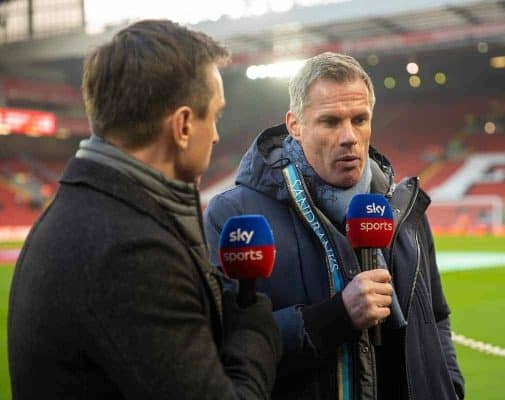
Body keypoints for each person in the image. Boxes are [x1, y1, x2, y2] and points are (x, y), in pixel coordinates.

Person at [8, 19, 281, 400]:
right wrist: (254, 333)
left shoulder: (85, 210)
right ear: (183, 125)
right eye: (215, 116)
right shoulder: (130, 252)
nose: (217, 134)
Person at [204, 52, 464, 400]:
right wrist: (335, 317)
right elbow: (219, 346)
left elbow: (436, 318)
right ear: (295, 125)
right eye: (330, 121)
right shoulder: (236, 216)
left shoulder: (404, 208)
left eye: (360, 119)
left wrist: (449, 386)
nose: (349, 137)